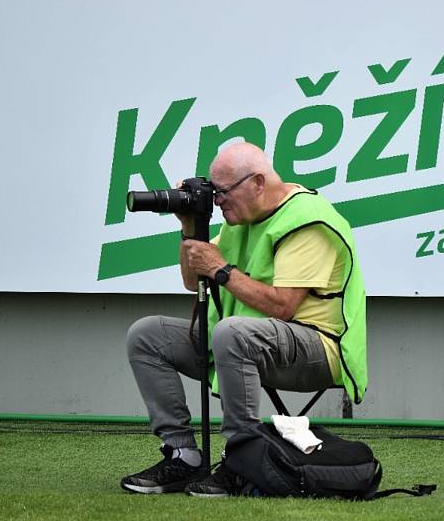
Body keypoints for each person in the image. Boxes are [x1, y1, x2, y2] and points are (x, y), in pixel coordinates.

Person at [120, 142, 367, 497]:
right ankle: (182, 456)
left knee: (231, 332)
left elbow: (284, 307)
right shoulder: (241, 217)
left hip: (319, 348)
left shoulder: (308, 220)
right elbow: (194, 281)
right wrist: (191, 227)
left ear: (258, 183)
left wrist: (219, 268)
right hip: (246, 341)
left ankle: (241, 461)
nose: (217, 202)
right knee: (147, 335)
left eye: (222, 194)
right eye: (214, 193)